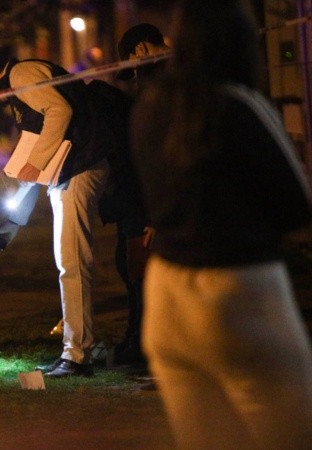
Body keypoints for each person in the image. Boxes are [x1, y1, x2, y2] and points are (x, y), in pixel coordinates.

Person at [130, 0, 312, 448]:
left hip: (167, 295)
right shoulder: (240, 105)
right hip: (241, 290)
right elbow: (297, 208)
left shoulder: (149, 108)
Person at [0, 55, 119, 377]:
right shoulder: (22, 82)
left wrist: (36, 161)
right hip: (70, 172)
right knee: (69, 263)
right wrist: (16, 219)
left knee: (73, 263)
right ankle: (76, 350)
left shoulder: (22, 75)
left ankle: (77, 356)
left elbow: (60, 111)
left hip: (79, 169)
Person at [102, 23, 170, 366]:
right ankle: (137, 337)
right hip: (138, 197)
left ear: (141, 51)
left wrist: (158, 213)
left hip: (150, 200)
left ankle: (146, 343)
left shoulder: (164, 90)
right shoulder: (158, 88)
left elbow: (163, 156)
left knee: (144, 273)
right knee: (131, 267)